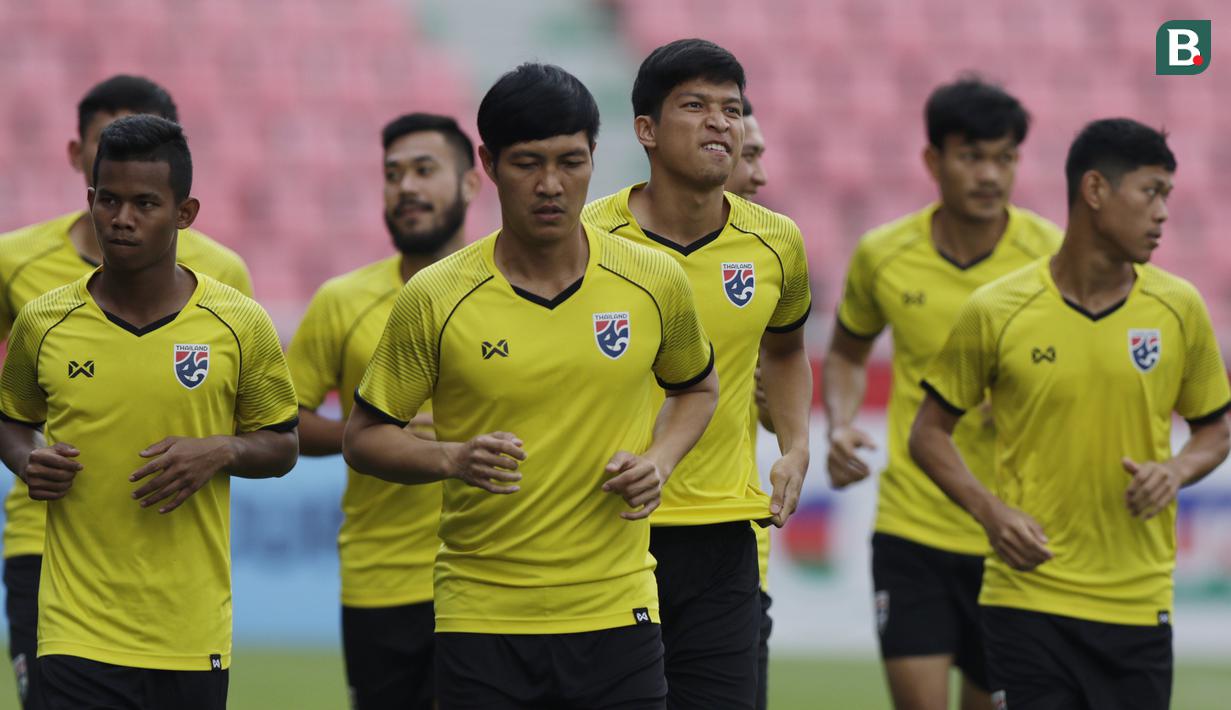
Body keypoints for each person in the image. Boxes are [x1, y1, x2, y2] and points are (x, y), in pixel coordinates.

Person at [342, 63, 718, 710]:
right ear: (487, 163)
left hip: (617, 610)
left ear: (594, 157)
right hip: (482, 617)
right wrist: (451, 458)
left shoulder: (652, 280)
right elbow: (364, 436)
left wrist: (660, 459)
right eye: (526, 163)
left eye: (570, 161)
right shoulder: (435, 296)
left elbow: (697, 388)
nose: (550, 185)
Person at [910, 117, 1231, 710]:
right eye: (1151, 191)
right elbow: (928, 434)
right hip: (1027, 600)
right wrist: (991, 512)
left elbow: (1215, 429)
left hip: (1137, 602)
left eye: (1169, 195)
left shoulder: (1178, 307)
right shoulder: (998, 309)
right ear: (1095, 191)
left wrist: (1177, 470)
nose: (1163, 213)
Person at [0, 115, 299, 710]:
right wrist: (27, 459)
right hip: (73, 630)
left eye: (144, 203)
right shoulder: (44, 321)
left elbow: (283, 443)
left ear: (185, 213)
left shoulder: (238, 323)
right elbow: (10, 420)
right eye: (108, 200)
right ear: (89, 201)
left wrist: (222, 449)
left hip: (188, 634)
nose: (122, 219)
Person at [583, 39, 812, 710]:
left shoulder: (777, 242)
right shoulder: (590, 241)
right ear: (646, 130)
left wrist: (796, 446)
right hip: (608, 530)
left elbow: (787, 349)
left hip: (723, 535)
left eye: (731, 108)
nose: (720, 121)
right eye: (695, 105)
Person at [821, 77, 1060, 710]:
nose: (990, 175)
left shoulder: (1051, 257)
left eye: (1004, 157)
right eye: (972, 156)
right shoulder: (884, 254)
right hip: (912, 524)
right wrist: (839, 423)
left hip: (1012, 531)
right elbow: (846, 353)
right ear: (933, 161)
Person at [286, 112, 480, 710]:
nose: (406, 188)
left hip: (490, 575)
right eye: (392, 174)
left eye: (425, 170)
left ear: (472, 183)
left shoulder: (510, 291)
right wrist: (367, 433)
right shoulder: (343, 302)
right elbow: (278, 423)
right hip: (382, 582)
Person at [722, 94, 773, 710]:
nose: (759, 173)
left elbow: (790, 363)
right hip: (624, 547)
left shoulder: (771, 257)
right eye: (749, 155)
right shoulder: (616, 257)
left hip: (737, 551)